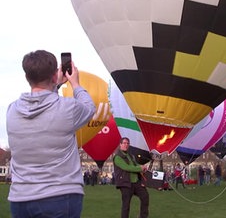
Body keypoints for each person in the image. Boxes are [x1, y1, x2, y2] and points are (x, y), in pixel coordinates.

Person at [6, 50, 95, 218]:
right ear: (55, 76)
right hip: (60, 195)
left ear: (27, 77)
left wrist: (56, 85)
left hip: (20, 198)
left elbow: (45, 107)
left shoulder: (12, 110)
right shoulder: (67, 108)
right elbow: (89, 108)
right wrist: (75, 84)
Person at [113, 137, 149, 218]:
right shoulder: (117, 157)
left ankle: (143, 216)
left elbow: (135, 165)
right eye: (124, 143)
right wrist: (140, 168)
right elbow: (127, 167)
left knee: (145, 197)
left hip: (136, 182)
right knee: (126, 205)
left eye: (128, 143)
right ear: (120, 144)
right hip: (126, 183)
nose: (126, 145)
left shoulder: (130, 155)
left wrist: (142, 167)